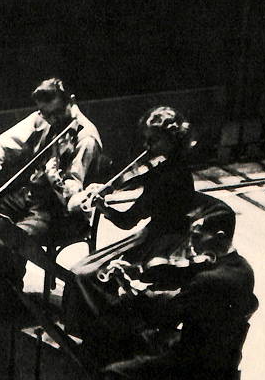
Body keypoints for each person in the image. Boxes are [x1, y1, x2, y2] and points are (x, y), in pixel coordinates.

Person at [66, 200, 257, 380]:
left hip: (194, 369)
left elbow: (162, 317)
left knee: (112, 374)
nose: (191, 239)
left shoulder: (210, 281)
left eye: (198, 233)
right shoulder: (242, 269)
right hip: (218, 359)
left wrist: (131, 291)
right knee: (124, 345)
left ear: (219, 236)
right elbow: (188, 293)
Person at [0, 78, 101, 313]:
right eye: (45, 114)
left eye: (56, 113)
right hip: (33, 197)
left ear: (71, 101)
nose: (51, 120)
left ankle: (8, 306)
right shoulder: (43, 117)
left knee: (7, 244)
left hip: (61, 212)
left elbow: (73, 194)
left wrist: (55, 179)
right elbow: (3, 144)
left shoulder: (86, 138)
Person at [76, 105, 196, 265]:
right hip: (169, 236)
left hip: (165, 245)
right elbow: (135, 179)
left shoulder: (165, 179)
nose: (146, 145)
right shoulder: (177, 168)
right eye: (146, 139)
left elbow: (127, 221)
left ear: (172, 139)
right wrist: (109, 187)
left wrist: (103, 207)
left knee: (90, 268)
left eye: (153, 140)